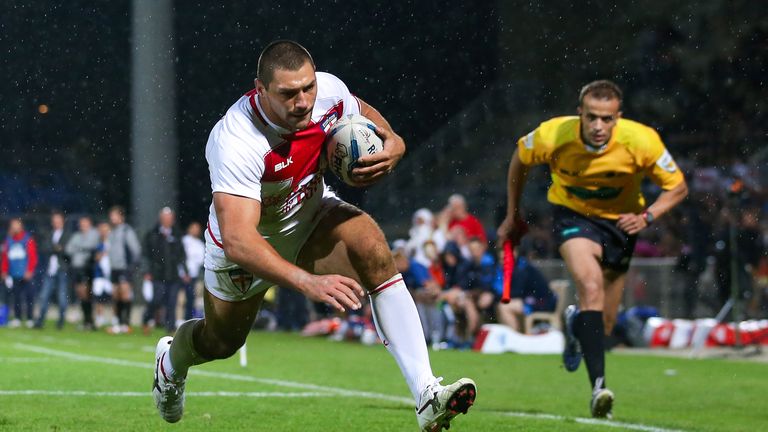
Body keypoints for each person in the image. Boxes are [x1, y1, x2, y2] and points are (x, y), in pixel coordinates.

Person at [151, 40, 475, 431]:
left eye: (308, 88)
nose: (303, 101)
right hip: (247, 249)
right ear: (261, 89)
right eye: (288, 93)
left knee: (372, 249)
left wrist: (396, 143)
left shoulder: (328, 91)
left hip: (310, 215)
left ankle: (426, 393)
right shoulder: (236, 139)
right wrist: (306, 281)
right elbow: (239, 238)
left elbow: (363, 112)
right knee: (219, 343)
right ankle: (171, 363)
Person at [497, 80, 688, 418]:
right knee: (589, 285)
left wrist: (648, 216)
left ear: (619, 117)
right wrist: (513, 214)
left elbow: (678, 187)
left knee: (606, 325)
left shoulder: (641, 141)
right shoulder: (552, 134)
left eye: (607, 119)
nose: (599, 126)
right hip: (572, 216)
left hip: (622, 224)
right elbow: (519, 159)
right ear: (579, 114)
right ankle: (598, 388)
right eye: (592, 117)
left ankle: (575, 326)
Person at [142, 207, 188, 334]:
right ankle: (146, 320)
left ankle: (171, 327)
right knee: (156, 299)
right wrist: (146, 271)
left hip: (173, 275)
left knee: (172, 302)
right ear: (160, 219)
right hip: (157, 274)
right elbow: (146, 254)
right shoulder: (152, 234)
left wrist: (185, 272)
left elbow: (182, 256)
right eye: (165, 218)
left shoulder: (177, 235)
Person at [494, 252, 558, 333]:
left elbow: (516, 293)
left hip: (541, 302)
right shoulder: (506, 269)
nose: (502, 262)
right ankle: (516, 335)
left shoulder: (523, 268)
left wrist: (496, 296)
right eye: (501, 259)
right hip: (529, 300)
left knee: (504, 306)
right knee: (501, 305)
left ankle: (515, 339)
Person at [108, 205, 142, 333]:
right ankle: (117, 322)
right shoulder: (112, 231)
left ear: (121, 217)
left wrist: (131, 267)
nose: (112, 218)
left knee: (125, 294)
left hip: (124, 268)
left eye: (115, 215)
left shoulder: (127, 231)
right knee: (115, 295)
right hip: (114, 268)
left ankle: (125, 323)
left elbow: (135, 250)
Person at [35, 211, 71, 329]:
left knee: (62, 297)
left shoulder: (67, 234)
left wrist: (57, 249)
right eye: (54, 221)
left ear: (62, 221)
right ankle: (40, 321)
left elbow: (68, 250)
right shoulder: (50, 234)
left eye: (58, 220)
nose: (56, 223)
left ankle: (60, 321)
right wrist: (57, 248)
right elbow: (45, 248)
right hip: (50, 270)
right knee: (44, 296)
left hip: (62, 270)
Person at [1, 218, 38, 328]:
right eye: (13, 225)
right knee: (16, 297)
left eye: (16, 225)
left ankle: (30, 318)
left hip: (25, 274)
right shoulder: (8, 240)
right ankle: (17, 318)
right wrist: (3, 271)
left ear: (21, 226)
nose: (14, 227)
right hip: (13, 273)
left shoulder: (28, 240)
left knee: (29, 297)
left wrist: (30, 270)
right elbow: (5, 257)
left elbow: (32, 257)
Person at [66, 216, 99, 330]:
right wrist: (82, 249)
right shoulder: (76, 236)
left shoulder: (94, 234)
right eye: (81, 223)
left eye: (85, 223)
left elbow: (92, 247)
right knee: (80, 293)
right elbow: (68, 249)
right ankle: (86, 320)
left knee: (87, 293)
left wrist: (79, 248)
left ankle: (90, 320)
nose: (82, 225)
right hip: (77, 268)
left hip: (88, 267)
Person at [181, 221, 205, 321]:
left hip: (194, 275)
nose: (195, 230)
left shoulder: (200, 244)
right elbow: (180, 257)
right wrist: (184, 273)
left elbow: (201, 260)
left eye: (197, 229)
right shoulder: (183, 241)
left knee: (191, 299)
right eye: (193, 228)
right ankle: (177, 320)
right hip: (181, 275)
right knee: (179, 300)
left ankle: (188, 320)